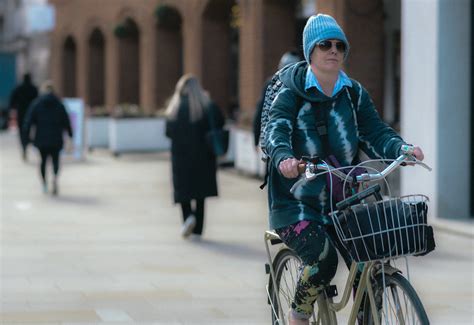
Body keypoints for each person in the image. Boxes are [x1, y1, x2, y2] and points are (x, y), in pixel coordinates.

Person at [264, 14, 425, 325]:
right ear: (311, 50)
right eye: (325, 44)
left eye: (340, 45)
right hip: (296, 204)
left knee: (372, 254)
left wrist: (401, 149)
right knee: (323, 261)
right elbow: (276, 131)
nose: (333, 50)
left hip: (344, 200)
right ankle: (297, 314)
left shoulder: (352, 93)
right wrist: (283, 158)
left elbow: (376, 132)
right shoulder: (291, 93)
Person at [165, 74, 224, 239]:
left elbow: (168, 132)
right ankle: (198, 229)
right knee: (200, 194)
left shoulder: (175, 108)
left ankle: (187, 217)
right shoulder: (207, 106)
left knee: (183, 190)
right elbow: (220, 122)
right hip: (203, 158)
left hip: (180, 157)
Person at [23, 81, 73, 195]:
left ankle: (44, 183)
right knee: (55, 160)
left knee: (43, 161)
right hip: (56, 138)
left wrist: (26, 138)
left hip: (41, 138)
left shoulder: (37, 103)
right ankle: (55, 178)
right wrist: (70, 134)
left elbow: (28, 121)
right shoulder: (59, 104)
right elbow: (66, 121)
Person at [252, 51, 301, 147]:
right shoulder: (272, 84)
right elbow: (261, 111)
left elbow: (260, 112)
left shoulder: (301, 86)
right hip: (276, 136)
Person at [9, 73, 39, 160]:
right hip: (32, 114)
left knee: (22, 132)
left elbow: (12, 101)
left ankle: (24, 146)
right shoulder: (34, 89)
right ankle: (28, 142)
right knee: (29, 130)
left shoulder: (18, 89)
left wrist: (13, 108)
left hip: (21, 114)